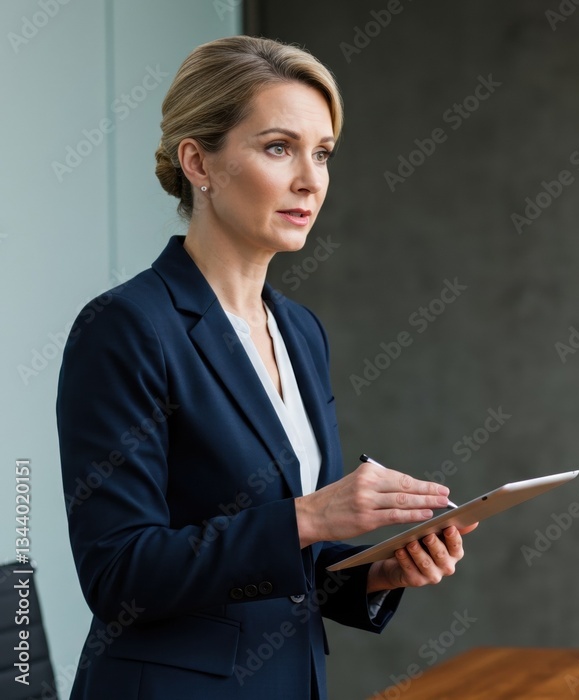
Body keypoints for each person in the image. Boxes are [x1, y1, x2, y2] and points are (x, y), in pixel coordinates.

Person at [55, 35, 474, 700]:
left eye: (323, 153)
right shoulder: (126, 327)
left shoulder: (301, 332)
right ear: (198, 161)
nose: (310, 178)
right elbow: (118, 574)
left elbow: (273, 565)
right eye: (279, 147)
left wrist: (372, 572)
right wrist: (310, 517)